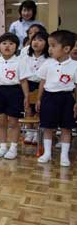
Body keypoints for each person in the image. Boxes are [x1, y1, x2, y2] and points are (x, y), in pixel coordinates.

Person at [0, 33, 30, 160]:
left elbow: (23, 81)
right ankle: (3, 146)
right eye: (4, 43)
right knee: (1, 121)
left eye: (11, 43)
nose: (7, 46)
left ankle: (13, 147)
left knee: (14, 122)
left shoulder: (20, 62)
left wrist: (26, 97)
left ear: (16, 46)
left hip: (15, 92)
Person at [36, 30, 77, 167]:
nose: (50, 49)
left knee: (66, 128)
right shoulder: (47, 63)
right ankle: (47, 153)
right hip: (49, 97)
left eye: (53, 46)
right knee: (47, 127)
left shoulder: (75, 65)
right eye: (49, 45)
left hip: (67, 98)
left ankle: (64, 155)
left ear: (66, 49)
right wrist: (39, 99)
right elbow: (42, 82)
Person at [21, 31, 49, 144]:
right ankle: (29, 132)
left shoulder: (48, 59)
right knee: (28, 108)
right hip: (27, 84)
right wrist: (26, 94)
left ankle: (38, 133)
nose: (36, 42)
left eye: (40, 40)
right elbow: (23, 77)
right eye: (34, 40)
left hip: (43, 85)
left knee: (39, 110)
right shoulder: (25, 58)